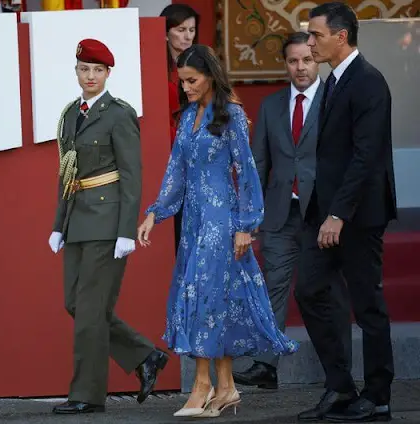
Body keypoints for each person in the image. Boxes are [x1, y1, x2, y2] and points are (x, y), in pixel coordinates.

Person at [137, 44, 298, 418]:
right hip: (194, 224)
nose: (187, 88)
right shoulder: (189, 115)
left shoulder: (233, 116)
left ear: (210, 75)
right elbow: (175, 172)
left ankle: (201, 385)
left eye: (192, 81)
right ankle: (226, 389)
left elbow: (247, 171)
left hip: (222, 222)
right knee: (212, 301)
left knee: (204, 298)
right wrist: (154, 214)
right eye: (183, 82)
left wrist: (246, 225)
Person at [48, 38, 168, 414]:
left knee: (89, 312)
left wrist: (125, 231)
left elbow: (132, 174)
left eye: (97, 70)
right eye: (84, 69)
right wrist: (57, 224)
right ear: (76, 71)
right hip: (77, 221)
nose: (90, 76)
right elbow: (67, 173)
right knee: (76, 303)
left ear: (108, 74)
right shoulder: (70, 114)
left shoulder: (118, 114)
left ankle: (86, 394)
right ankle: (146, 355)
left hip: (106, 220)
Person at [233, 32, 352, 390]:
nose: (300, 67)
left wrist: (343, 211)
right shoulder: (271, 105)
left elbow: (348, 158)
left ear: (317, 60)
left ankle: (341, 370)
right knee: (273, 285)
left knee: (329, 289)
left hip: (323, 212)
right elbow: (258, 163)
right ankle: (266, 365)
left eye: (307, 60)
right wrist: (250, 216)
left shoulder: (335, 100)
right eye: (293, 61)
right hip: (280, 212)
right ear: (285, 64)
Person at [295, 3, 397, 422]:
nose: (310, 42)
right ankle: (339, 387)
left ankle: (378, 395)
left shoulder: (369, 82)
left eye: (316, 35)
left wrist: (338, 214)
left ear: (341, 36)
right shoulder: (334, 80)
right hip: (328, 212)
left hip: (357, 214)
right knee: (310, 290)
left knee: (367, 303)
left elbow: (366, 156)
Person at [159, 3, 200, 255]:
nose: (187, 36)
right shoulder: (156, 67)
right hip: (168, 154)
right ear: (165, 32)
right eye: (181, 29)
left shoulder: (201, 64)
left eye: (192, 30)